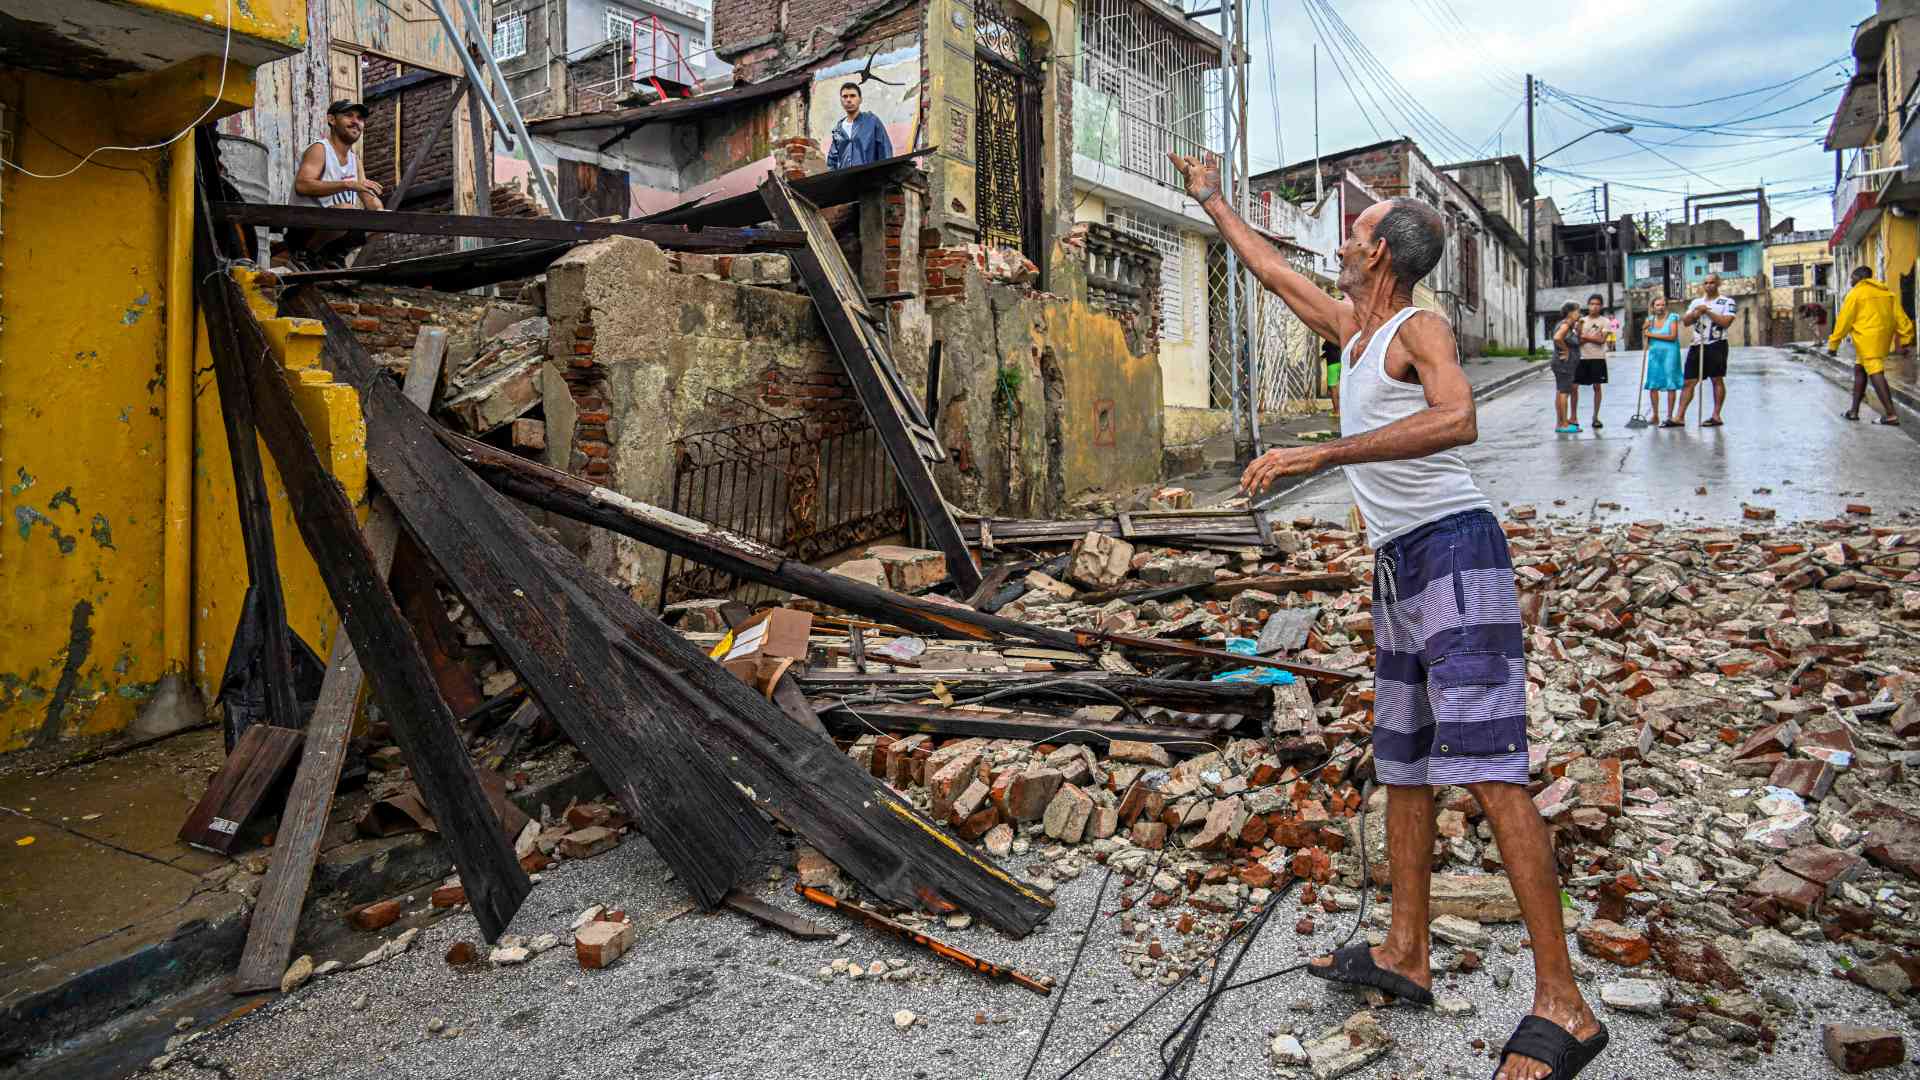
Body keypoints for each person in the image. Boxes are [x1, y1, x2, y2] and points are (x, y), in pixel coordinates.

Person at [1168, 149, 1607, 1080]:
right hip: (1400, 564)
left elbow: (1458, 420)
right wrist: (1211, 197)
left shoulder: (1422, 326)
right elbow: (1270, 269)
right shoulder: (1354, 327)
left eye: (1354, 233)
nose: (1338, 242)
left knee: (1490, 767)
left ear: (1380, 257)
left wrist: (1325, 456)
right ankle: (1406, 951)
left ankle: (1563, 1006)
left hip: (1457, 551)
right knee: (1405, 763)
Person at [287, 100, 384, 269]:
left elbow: (369, 199)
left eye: (360, 118)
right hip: (305, 229)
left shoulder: (355, 160)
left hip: (336, 231)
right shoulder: (320, 149)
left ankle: (334, 255)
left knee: (385, 220)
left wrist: (378, 209)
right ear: (332, 119)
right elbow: (302, 185)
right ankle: (305, 254)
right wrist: (348, 185)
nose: (356, 121)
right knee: (346, 210)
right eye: (348, 115)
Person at [1827, 265, 1912, 426]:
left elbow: (1844, 322)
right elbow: (1901, 317)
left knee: (1875, 370)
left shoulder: (1855, 295)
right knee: (1860, 369)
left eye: (1852, 277)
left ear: (1859, 277)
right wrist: (1906, 339)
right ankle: (1853, 411)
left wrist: (1833, 344)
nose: (1850, 280)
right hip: (1881, 339)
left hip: (1867, 339)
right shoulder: (1887, 293)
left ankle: (1891, 414)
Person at [1679, 274, 1736, 427]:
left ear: (1718, 284)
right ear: (1702, 285)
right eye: (1706, 283)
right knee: (1688, 381)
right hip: (1697, 344)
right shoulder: (1696, 302)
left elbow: (1726, 322)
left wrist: (1708, 312)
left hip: (1716, 343)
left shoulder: (1727, 302)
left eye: (1712, 282)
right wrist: (1696, 313)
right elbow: (1685, 322)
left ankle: (1716, 415)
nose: (1709, 285)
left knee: (1716, 379)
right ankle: (1679, 417)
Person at [825, 83, 893, 169]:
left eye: (853, 96)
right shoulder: (838, 130)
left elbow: (885, 152)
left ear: (860, 99)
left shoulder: (872, 122)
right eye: (845, 97)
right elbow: (832, 161)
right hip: (846, 180)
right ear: (841, 101)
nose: (848, 100)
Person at [1642, 297, 1684, 427]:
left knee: (1670, 383)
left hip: (1670, 354)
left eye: (1663, 305)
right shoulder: (1649, 320)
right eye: (1657, 305)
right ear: (1653, 307)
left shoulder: (1673, 317)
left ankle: (1670, 416)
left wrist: (1651, 334)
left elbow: (1672, 336)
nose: (1660, 307)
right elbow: (1646, 342)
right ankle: (1655, 415)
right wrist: (1644, 332)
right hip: (1655, 354)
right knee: (1653, 384)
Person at [1575, 294, 1610, 429]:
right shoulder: (1581, 321)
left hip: (1598, 358)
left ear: (1601, 306)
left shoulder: (1605, 321)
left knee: (1597, 387)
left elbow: (1602, 341)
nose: (1594, 306)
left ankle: (1595, 417)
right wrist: (1592, 337)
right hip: (1582, 358)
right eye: (1591, 304)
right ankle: (1574, 417)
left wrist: (1585, 336)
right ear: (1588, 305)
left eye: (1597, 304)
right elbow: (1577, 341)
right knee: (1574, 387)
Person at [1550, 303, 1581, 433]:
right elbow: (1557, 338)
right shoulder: (1566, 324)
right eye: (1577, 311)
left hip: (1561, 363)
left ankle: (1560, 422)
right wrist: (1566, 350)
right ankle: (1563, 424)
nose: (1579, 314)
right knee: (1564, 392)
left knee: (1561, 391)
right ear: (1570, 313)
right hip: (1564, 364)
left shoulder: (1568, 325)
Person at [1322, 335, 1344, 417]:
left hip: (1332, 364)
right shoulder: (1341, 336)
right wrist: (1323, 356)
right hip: (1341, 362)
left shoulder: (1330, 336)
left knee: (1333, 388)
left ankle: (1336, 411)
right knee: (1340, 386)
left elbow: (1324, 347)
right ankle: (1342, 410)